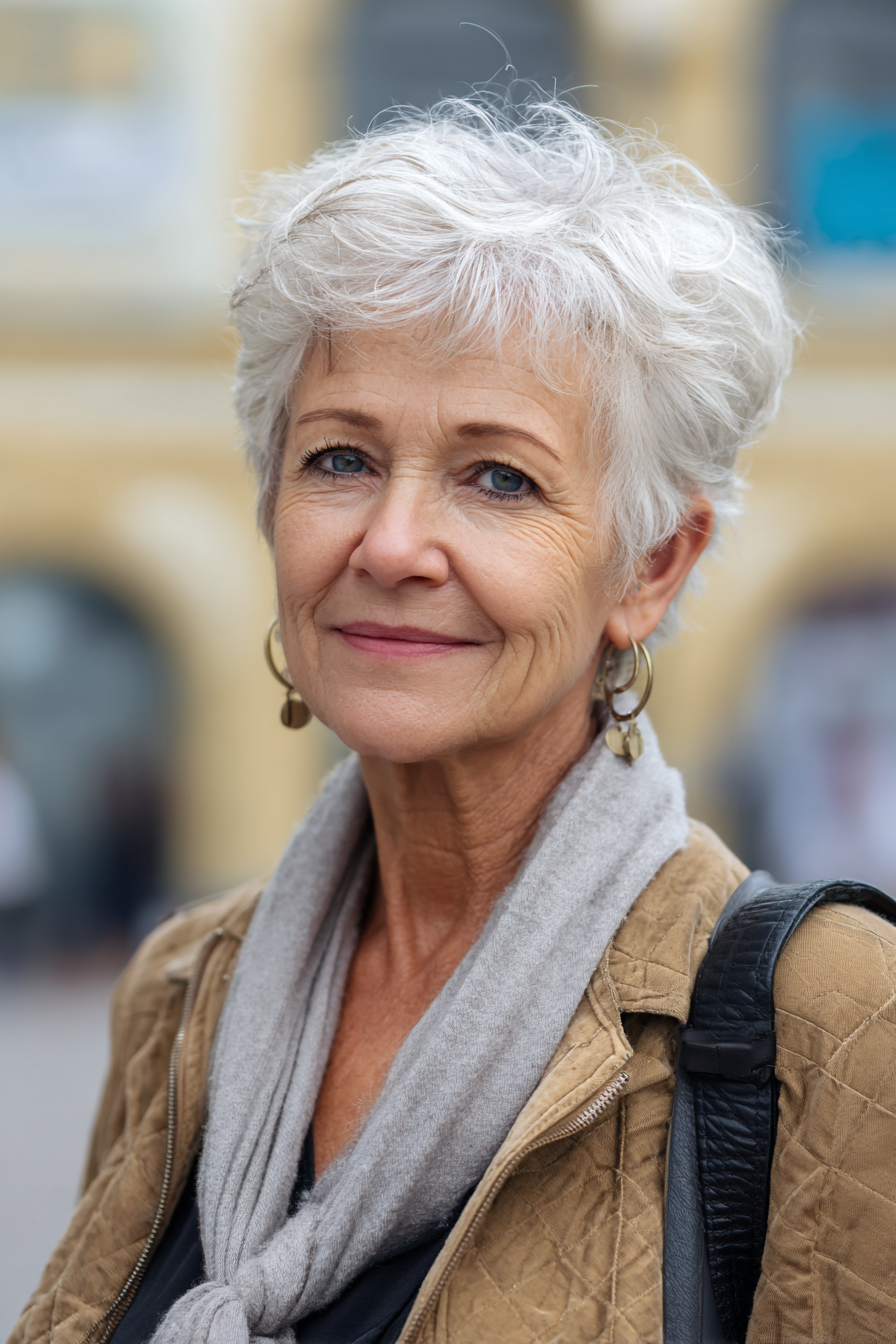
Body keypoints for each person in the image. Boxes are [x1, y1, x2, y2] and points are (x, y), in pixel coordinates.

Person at [11, 96, 896, 1344]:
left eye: (498, 477)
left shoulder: (833, 1017)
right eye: (338, 459)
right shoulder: (182, 989)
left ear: (647, 566)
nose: (391, 542)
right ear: (270, 505)